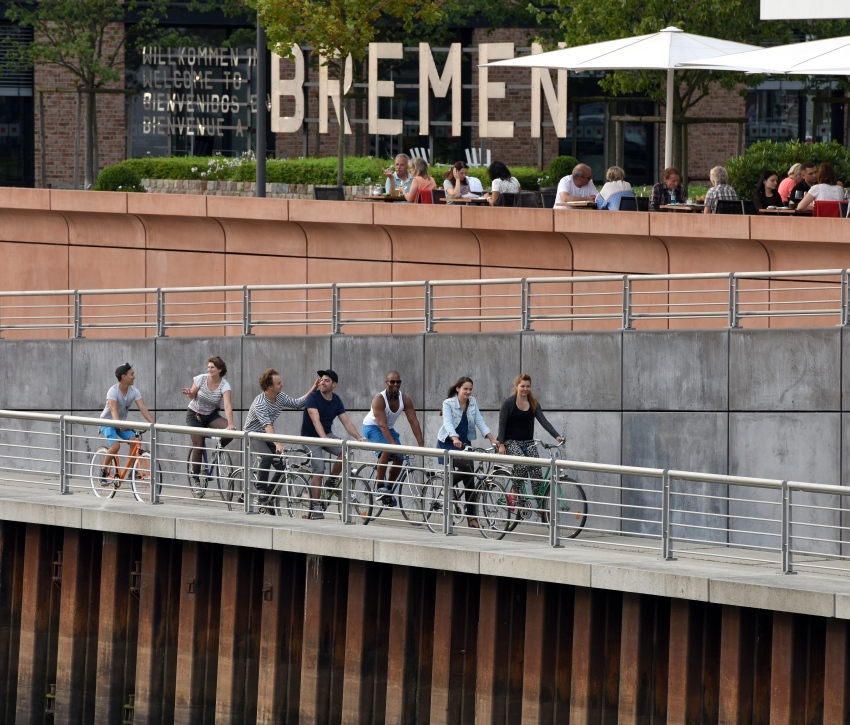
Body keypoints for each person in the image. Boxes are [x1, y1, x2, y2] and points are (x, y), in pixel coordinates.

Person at [301, 369, 366, 520]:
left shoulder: (336, 400)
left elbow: (347, 422)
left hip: (326, 435)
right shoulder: (313, 397)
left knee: (346, 451)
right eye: (321, 380)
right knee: (319, 468)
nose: (322, 382)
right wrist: (324, 438)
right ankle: (316, 506)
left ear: (334, 384)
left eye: (326, 380)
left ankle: (332, 481)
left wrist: (358, 437)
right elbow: (315, 420)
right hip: (310, 438)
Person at [243, 369, 318, 497]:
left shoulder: (280, 397)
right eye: (279, 383)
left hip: (267, 434)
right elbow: (267, 426)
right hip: (253, 435)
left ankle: (269, 494)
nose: (281, 385)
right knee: (267, 456)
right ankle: (261, 489)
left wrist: (313, 388)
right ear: (270, 387)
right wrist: (277, 444)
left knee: (282, 466)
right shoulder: (260, 403)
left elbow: (297, 403)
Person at [436, 376, 499, 528]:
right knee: (467, 469)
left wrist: (492, 439)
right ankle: (447, 486)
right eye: (465, 389)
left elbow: (479, 421)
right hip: (449, 442)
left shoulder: (472, 402)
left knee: (470, 481)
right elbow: (448, 422)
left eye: (470, 389)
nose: (468, 392)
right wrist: (454, 437)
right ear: (458, 388)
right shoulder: (448, 403)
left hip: (465, 443)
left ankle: (472, 519)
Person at [496, 373, 563, 497]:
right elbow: (502, 424)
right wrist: (501, 444)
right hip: (510, 441)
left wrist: (556, 436)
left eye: (528, 386)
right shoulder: (509, 403)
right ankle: (514, 491)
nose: (525, 389)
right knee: (521, 465)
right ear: (517, 386)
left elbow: (544, 421)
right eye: (522, 386)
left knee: (537, 471)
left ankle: (540, 506)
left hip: (528, 442)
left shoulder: (533, 403)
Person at [362, 371, 425, 499]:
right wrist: (393, 444)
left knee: (399, 456)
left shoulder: (405, 399)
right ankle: (379, 486)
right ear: (387, 383)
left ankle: (388, 490)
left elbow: (414, 422)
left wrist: (421, 444)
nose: (395, 384)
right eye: (392, 381)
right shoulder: (379, 399)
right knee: (388, 449)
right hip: (372, 427)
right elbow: (382, 425)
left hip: (388, 428)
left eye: (398, 381)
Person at [182, 355, 236, 487]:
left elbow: (227, 405)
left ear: (220, 370)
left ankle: (218, 448)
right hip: (195, 414)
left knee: (232, 433)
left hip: (211, 415)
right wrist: (190, 393)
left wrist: (230, 424)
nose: (209, 369)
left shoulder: (225, 385)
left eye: (212, 367)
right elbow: (192, 395)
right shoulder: (201, 379)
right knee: (198, 445)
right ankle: (196, 481)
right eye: (208, 367)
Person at [98, 362, 155, 479]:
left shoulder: (133, 391)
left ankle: (130, 472)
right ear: (124, 377)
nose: (134, 376)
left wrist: (154, 424)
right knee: (115, 446)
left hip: (121, 423)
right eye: (132, 374)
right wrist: (119, 424)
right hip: (108, 422)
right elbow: (113, 410)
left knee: (135, 441)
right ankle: (103, 471)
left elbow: (143, 408)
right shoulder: (113, 391)